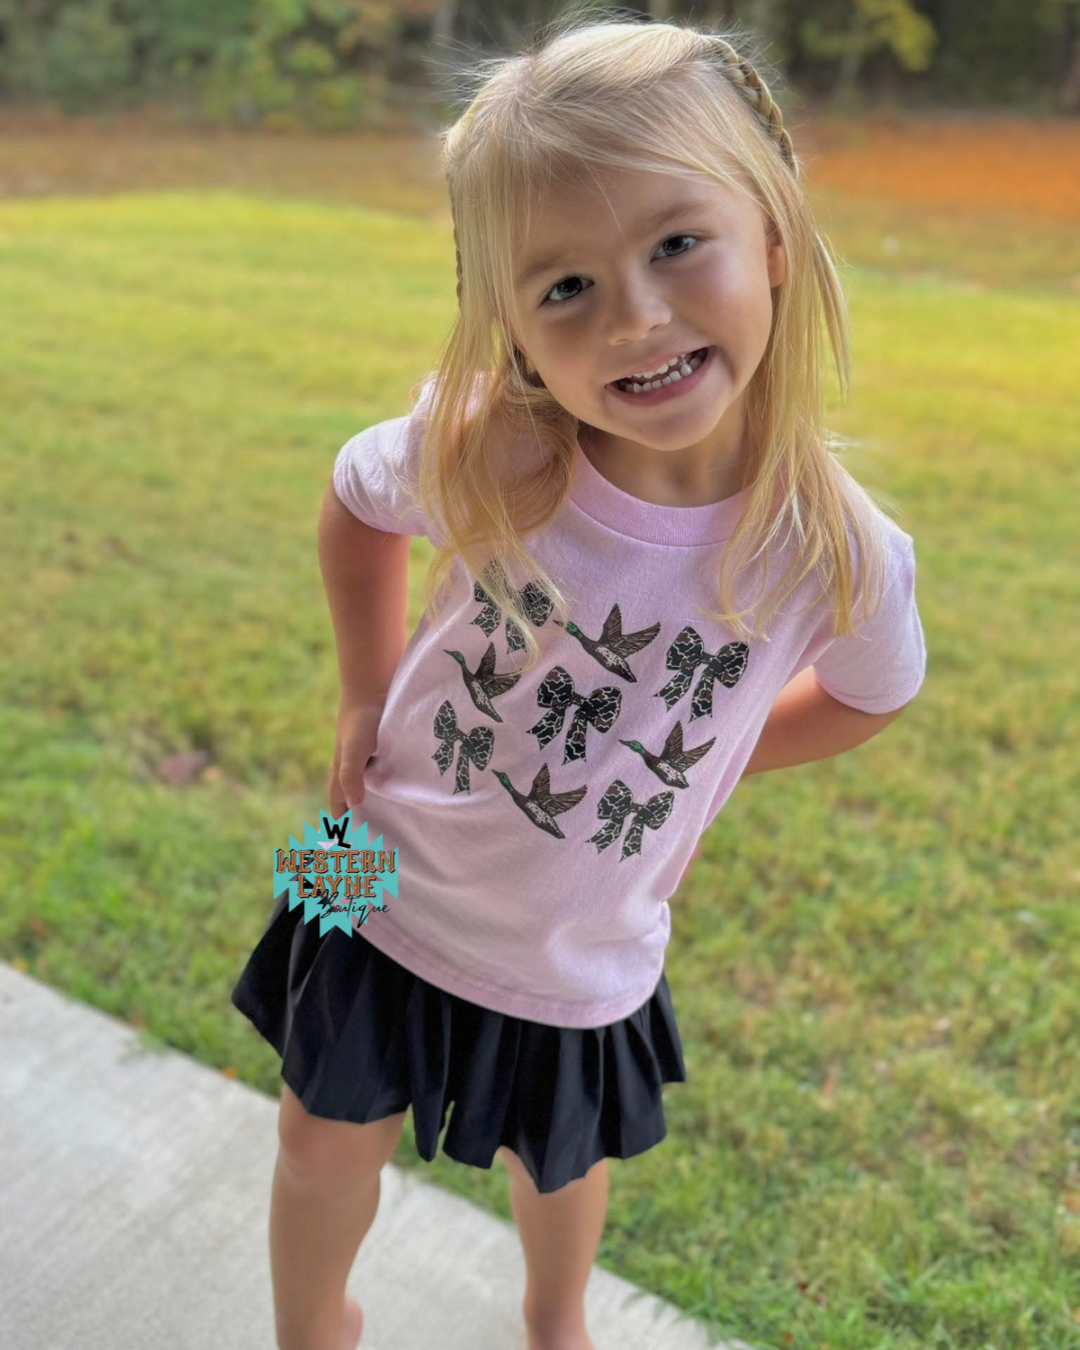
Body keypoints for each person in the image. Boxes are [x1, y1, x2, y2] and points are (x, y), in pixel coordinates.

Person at [231, 13, 928, 1350]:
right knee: (313, 1136)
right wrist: (363, 691)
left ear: (776, 235)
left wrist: (719, 754)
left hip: (583, 936)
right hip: (362, 856)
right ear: (508, 323)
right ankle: (313, 1329)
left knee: (560, 1161)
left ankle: (557, 1321)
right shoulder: (495, 447)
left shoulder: (835, 552)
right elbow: (356, 498)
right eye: (564, 287)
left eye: (676, 244)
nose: (635, 316)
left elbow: (875, 690)